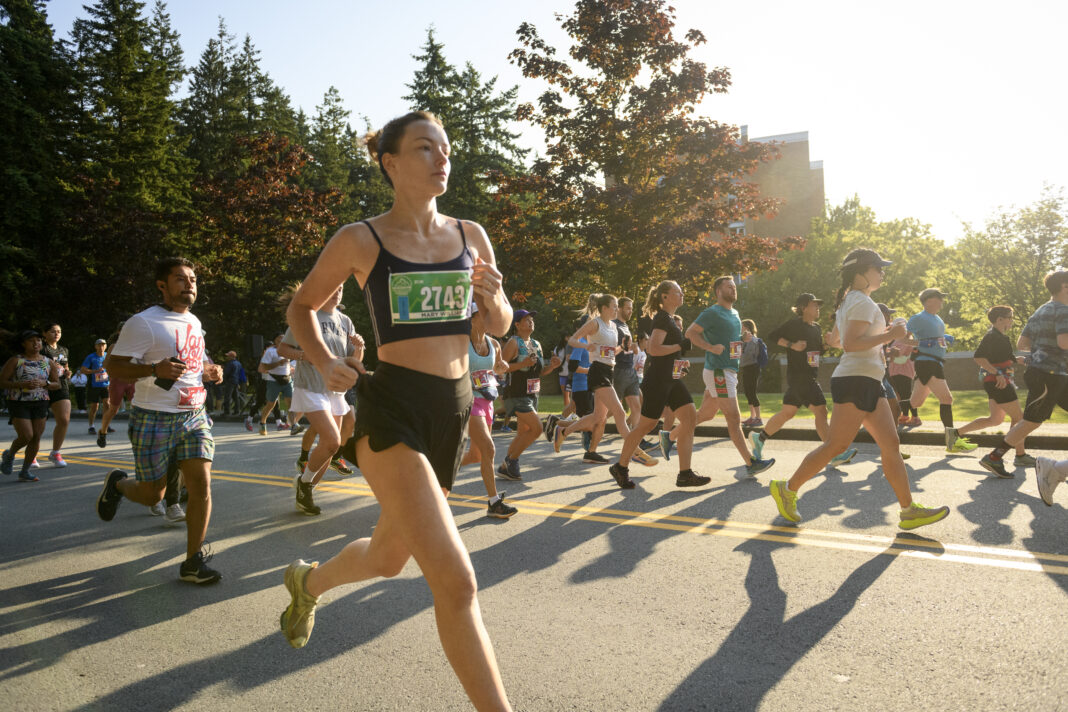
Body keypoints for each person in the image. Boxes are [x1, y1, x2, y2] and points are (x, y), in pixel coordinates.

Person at [277, 111, 513, 710]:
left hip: (453, 410)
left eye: (446, 149)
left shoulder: (471, 235)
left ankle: (307, 582)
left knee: (387, 560)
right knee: (457, 582)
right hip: (394, 412)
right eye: (425, 148)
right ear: (390, 162)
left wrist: (495, 301)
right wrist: (326, 359)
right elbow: (303, 305)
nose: (441, 159)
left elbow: (497, 326)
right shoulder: (362, 239)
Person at [768, 248, 950, 530]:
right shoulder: (862, 303)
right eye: (878, 268)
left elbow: (836, 341)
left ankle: (908, 509)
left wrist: (885, 333)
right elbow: (851, 344)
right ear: (861, 272)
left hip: (869, 379)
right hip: (855, 379)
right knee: (836, 445)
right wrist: (892, 334)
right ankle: (787, 489)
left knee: (890, 445)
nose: (882, 273)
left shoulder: (852, 301)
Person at [94, 257, 225, 583]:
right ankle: (119, 484)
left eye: (192, 279)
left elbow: (196, 362)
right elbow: (114, 366)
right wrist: (153, 369)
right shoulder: (143, 323)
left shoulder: (194, 322)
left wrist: (210, 370)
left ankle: (193, 561)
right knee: (153, 494)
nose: (189, 284)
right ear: (162, 286)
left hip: (194, 416)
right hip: (153, 417)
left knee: (201, 486)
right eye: (180, 279)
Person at [609, 281, 708, 489]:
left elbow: (667, 353)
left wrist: (680, 364)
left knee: (690, 418)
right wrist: (680, 345)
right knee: (646, 425)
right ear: (665, 296)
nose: (682, 294)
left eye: (682, 291)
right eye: (677, 292)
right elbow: (654, 349)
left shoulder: (670, 319)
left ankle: (685, 474)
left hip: (672, 379)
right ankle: (621, 467)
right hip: (657, 381)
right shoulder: (662, 318)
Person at [277, 283, 363, 515]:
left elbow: (352, 360)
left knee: (330, 448)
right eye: (332, 287)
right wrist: (306, 355)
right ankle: (304, 484)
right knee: (333, 441)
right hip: (311, 388)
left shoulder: (345, 321)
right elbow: (283, 349)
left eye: (341, 288)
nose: (337, 291)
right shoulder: (308, 316)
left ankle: (306, 488)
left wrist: (359, 348)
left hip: (335, 389)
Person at [750, 294, 858, 467]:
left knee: (787, 413)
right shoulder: (794, 325)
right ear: (803, 308)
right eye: (814, 305)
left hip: (806, 376)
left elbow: (815, 352)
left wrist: (826, 345)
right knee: (821, 411)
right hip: (801, 376)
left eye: (818, 305)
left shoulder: (816, 328)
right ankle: (834, 453)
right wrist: (791, 345)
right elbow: (772, 336)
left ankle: (759, 438)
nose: (818, 308)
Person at [681, 276, 774, 476]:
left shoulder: (735, 313)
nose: (733, 289)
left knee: (706, 414)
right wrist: (710, 347)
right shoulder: (712, 312)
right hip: (718, 372)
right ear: (718, 292)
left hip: (729, 370)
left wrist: (743, 339)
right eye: (728, 287)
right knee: (734, 417)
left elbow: (729, 341)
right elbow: (690, 333)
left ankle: (669, 436)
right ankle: (751, 462)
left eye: (734, 286)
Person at [980, 270, 1068, 478]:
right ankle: (994, 457)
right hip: (1049, 374)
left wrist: (1043, 348)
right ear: (1065, 287)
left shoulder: (1040, 311)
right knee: (1032, 420)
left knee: (1032, 419)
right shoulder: (1064, 311)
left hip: (1052, 373)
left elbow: (1023, 344)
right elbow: (1064, 342)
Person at [553, 294, 657, 467]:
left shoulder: (613, 328)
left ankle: (564, 431)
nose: (617, 309)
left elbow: (610, 352)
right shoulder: (595, 323)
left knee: (598, 417)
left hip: (609, 370)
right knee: (620, 413)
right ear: (604, 308)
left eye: (617, 306)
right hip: (598, 372)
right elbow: (573, 339)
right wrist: (586, 346)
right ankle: (636, 452)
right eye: (614, 306)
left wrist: (623, 348)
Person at [954, 305, 1031, 471]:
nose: (1012, 320)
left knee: (995, 419)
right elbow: (979, 357)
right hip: (998, 382)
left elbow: (1006, 358)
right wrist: (997, 373)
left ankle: (955, 434)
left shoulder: (1001, 337)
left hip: (998, 381)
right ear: (1000, 319)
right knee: (1019, 418)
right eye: (1009, 317)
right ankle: (1018, 455)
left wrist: (1021, 360)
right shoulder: (992, 336)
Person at [460, 303, 518, 518]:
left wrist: (500, 367)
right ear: (472, 318)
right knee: (489, 449)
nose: (489, 320)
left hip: (487, 400)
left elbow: (495, 368)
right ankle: (494, 502)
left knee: (476, 454)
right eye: (484, 316)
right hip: (467, 400)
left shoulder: (494, 343)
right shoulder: (461, 342)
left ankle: (438, 470)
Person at [907, 288, 977, 453]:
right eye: (939, 298)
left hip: (936, 362)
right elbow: (903, 339)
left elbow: (935, 338)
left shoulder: (938, 318)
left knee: (915, 403)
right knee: (947, 398)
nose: (942, 302)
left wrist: (944, 338)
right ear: (929, 300)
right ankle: (952, 442)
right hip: (926, 362)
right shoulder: (917, 318)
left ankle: (886, 412)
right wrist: (924, 344)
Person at [496, 309, 561, 481]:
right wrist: (522, 363)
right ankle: (512, 460)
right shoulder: (513, 342)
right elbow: (500, 367)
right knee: (537, 428)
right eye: (526, 319)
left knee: (523, 432)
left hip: (533, 394)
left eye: (531, 319)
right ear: (517, 325)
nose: (531, 322)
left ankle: (505, 467)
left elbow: (539, 372)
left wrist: (552, 367)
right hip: (516, 394)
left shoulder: (537, 344)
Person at [1, 330, 61, 481]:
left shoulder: (48, 362)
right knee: (27, 436)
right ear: (23, 344)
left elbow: (57, 384)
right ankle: (10, 454)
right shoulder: (16, 360)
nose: (36, 343)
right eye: (31, 341)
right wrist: (22, 384)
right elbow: (2, 382)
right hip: (19, 402)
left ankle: (25, 471)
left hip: (40, 402)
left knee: (36, 438)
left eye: (39, 340)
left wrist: (45, 383)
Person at [40, 323, 71, 467]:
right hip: (42, 387)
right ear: (45, 333)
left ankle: (55, 452)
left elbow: (65, 367)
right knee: (38, 424)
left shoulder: (64, 350)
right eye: (53, 331)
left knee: (64, 420)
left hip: (61, 386)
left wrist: (67, 372)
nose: (56, 334)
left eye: (59, 331)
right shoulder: (40, 348)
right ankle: (32, 453)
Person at [612, 297, 643, 429]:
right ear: (619, 308)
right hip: (619, 370)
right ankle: (581, 427)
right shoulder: (613, 326)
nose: (630, 311)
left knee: (636, 408)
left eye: (631, 308)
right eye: (628, 308)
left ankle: (636, 441)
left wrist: (633, 347)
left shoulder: (625, 326)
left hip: (630, 370)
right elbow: (612, 350)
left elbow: (627, 347)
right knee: (609, 411)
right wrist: (626, 347)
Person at [257, 333, 293, 435]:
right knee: (270, 404)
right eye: (279, 338)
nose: (282, 340)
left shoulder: (288, 350)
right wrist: (279, 363)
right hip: (273, 381)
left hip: (287, 380)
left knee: (290, 403)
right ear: (275, 340)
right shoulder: (270, 351)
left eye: (283, 338)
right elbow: (265, 367)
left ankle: (293, 425)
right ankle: (262, 423)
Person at [887, 328, 920, 426]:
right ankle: (905, 415)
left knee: (906, 394)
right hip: (898, 371)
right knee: (902, 394)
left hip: (903, 371)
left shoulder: (905, 339)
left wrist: (889, 353)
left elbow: (897, 354)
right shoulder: (900, 339)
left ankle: (915, 417)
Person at [738, 319, 766, 426]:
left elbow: (749, 356)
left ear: (747, 328)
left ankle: (758, 418)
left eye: (742, 326)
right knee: (748, 392)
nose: (740, 328)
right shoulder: (744, 340)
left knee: (752, 392)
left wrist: (739, 352)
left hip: (753, 368)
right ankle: (752, 417)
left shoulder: (753, 340)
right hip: (746, 367)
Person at [80, 339, 110, 434]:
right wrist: (94, 371)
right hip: (94, 385)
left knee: (107, 404)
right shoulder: (91, 357)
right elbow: (83, 369)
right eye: (99, 345)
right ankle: (91, 426)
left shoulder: (108, 356)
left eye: (103, 345)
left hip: (106, 385)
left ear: (106, 346)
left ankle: (106, 425)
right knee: (94, 406)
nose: (101, 347)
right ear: (95, 346)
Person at [220, 350, 247, 415]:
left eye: (228, 356)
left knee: (227, 396)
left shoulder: (230, 363)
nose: (227, 357)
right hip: (236, 381)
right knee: (235, 396)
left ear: (231, 356)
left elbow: (227, 373)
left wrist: (223, 377)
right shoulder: (239, 363)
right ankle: (237, 410)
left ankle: (227, 411)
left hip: (230, 381)